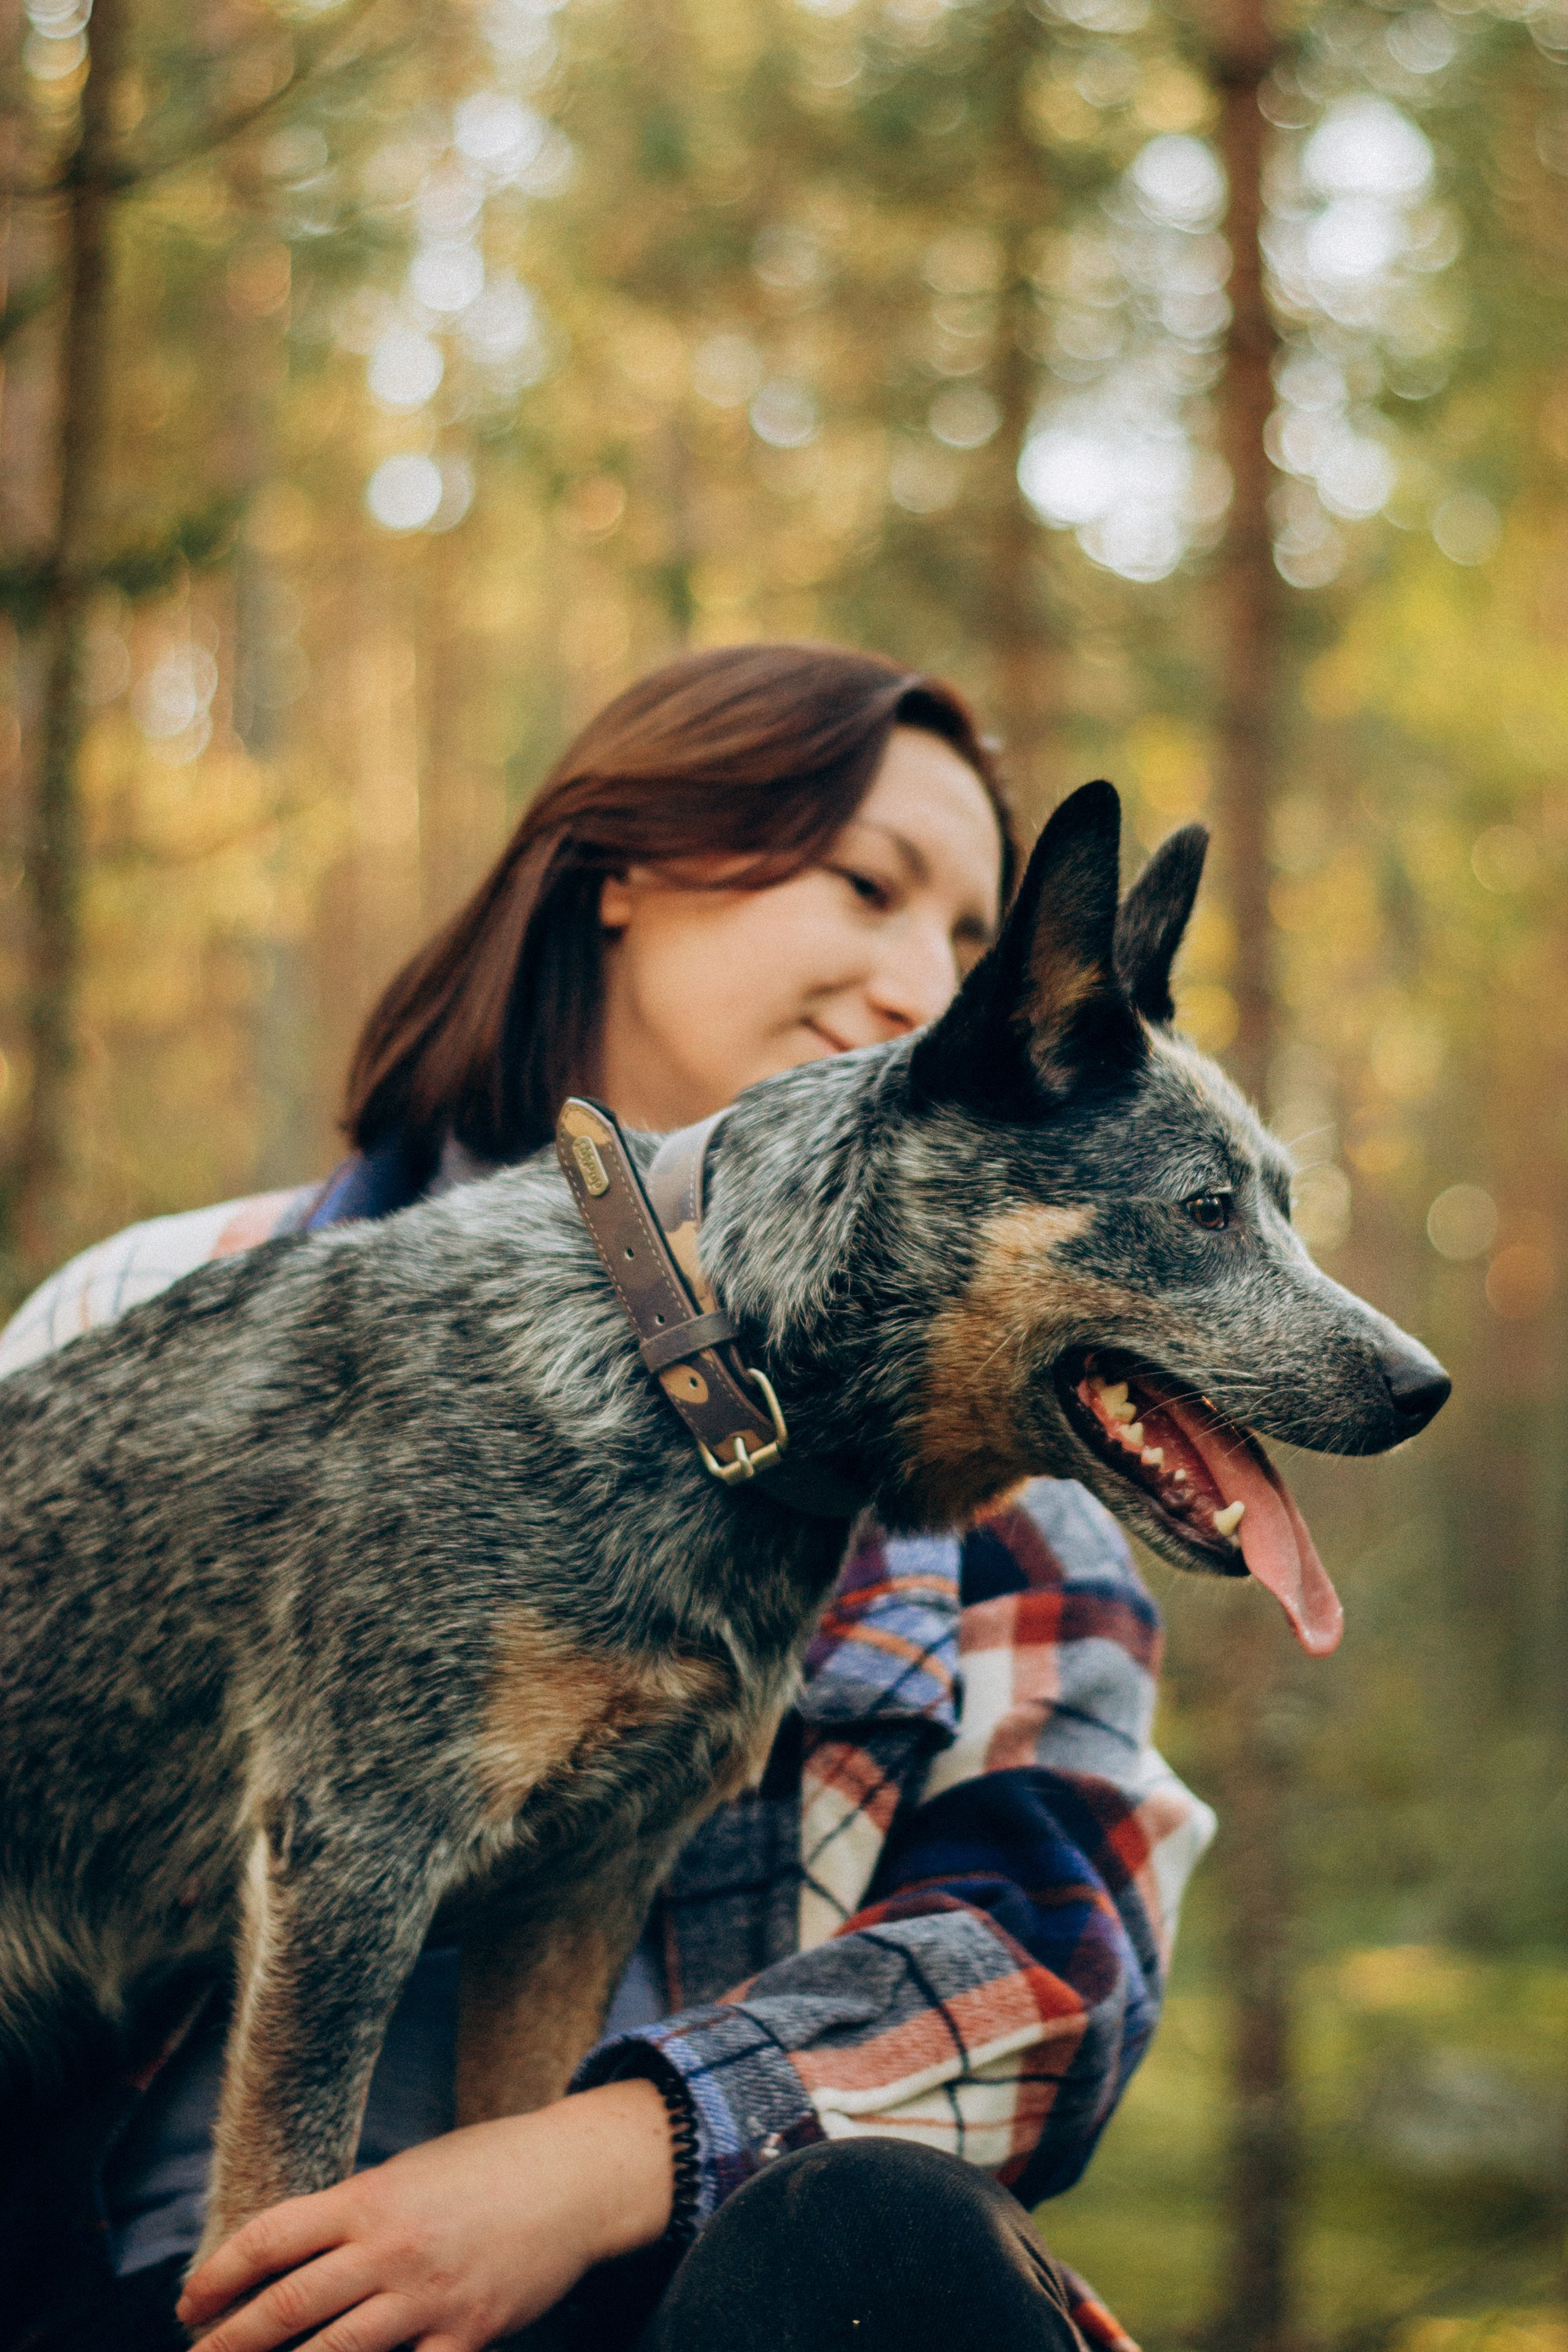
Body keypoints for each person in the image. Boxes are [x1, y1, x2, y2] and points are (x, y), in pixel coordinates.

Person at [2, 643, 1214, 2352]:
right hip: (138, 2269)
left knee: (888, 2248)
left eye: (964, 943)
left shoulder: (992, 1474)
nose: (919, 981)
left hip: (679, 2289)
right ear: (628, 865)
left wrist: (589, 2163)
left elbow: (1053, 1960)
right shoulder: (162, 1297)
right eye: (869, 885)